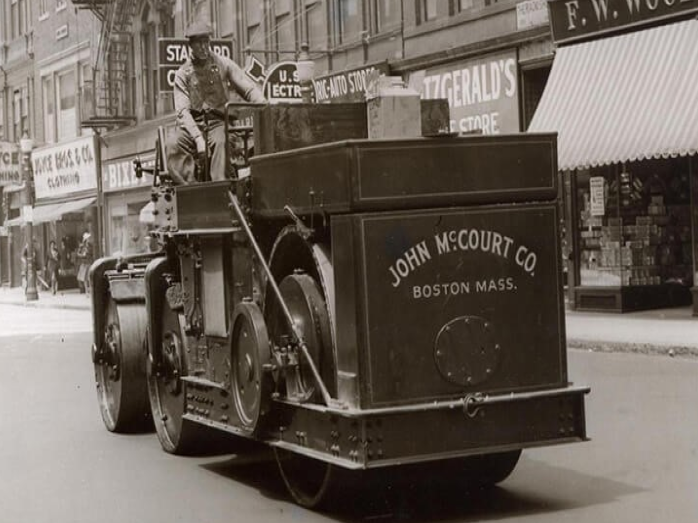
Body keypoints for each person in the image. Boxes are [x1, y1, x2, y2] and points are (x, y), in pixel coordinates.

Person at [168, 21, 266, 183]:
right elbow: (183, 112)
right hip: (193, 125)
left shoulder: (223, 64)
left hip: (219, 123)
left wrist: (264, 104)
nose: (204, 47)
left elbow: (248, 89)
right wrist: (198, 138)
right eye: (199, 43)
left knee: (222, 141)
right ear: (191, 45)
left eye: (206, 42)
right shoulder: (182, 74)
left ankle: (220, 186)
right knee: (173, 143)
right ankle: (190, 188)